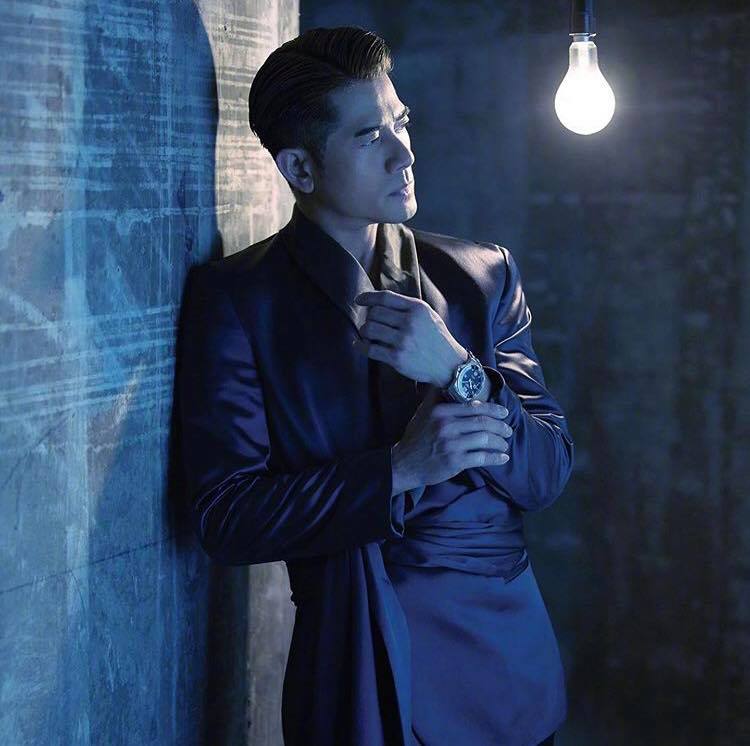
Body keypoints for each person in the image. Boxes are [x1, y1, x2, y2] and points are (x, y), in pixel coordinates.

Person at [177, 25, 574, 746]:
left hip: (504, 670)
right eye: (370, 136)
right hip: (353, 671)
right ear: (301, 167)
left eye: (401, 121)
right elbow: (225, 519)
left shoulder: (483, 277)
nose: (404, 152)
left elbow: (546, 473)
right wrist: (399, 471)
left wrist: (458, 371)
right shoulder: (239, 301)